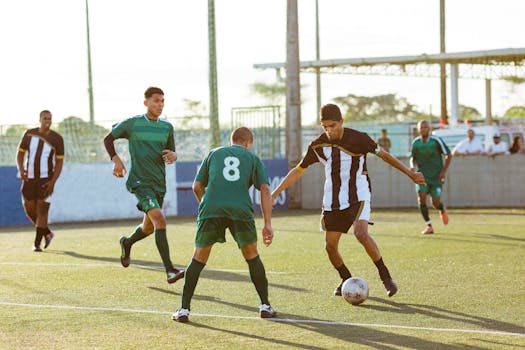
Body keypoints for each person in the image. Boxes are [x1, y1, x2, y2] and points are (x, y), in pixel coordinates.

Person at [270, 104, 425, 298]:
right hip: (333, 199)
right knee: (330, 246)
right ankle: (345, 278)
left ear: (341, 121)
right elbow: (298, 170)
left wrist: (410, 173)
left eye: (333, 125)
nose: (329, 130)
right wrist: (274, 194)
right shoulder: (317, 145)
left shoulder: (359, 138)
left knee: (361, 233)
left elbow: (384, 156)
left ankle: (386, 277)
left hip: (359, 193)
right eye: (325, 126)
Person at [172, 127, 276, 323]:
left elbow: (196, 186)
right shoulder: (253, 158)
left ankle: (184, 310)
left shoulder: (213, 153)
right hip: (240, 209)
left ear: (231, 142)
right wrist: (268, 224)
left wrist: (206, 204)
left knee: (198, 258)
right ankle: (265, 306)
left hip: (211, 208)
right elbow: (264, 188)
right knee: (252, 255)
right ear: (248, 143)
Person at [103, 87, 184, 284]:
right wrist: (116, 160)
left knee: (148, 228)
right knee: (160, 221)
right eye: (156, 100)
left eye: (163, 101)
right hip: (140, 182)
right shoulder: (133, 124)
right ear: (146, 102)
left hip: (158, 184)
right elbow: (108, 138)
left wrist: (174, 155)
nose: (160, 104)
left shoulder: (167, 127)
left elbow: (170, 152)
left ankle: (127, 242)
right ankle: (170, 270)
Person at [16, 110, 64, 252]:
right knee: (30, 210)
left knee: (42, 210)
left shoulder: (57, 138)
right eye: (45, 118)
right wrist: (20, 169)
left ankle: (37, 243)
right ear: (39, 119)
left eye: (49, 118)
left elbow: (60, 162)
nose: (47, 121)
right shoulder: (29, 134)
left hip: (46, 179)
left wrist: (53, 181)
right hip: (29, 178)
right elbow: (20, 153)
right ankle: (47, 232)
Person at [410, 120, 452, 235]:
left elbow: (448, 154)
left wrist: (443, 171)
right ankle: (429, 226)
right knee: (421, 197)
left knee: (435, 203)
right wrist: (412, 167)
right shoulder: (416, 143)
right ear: (418, 130)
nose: (423, 129)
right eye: (421, 127)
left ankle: (441, 209)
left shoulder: (436, 141)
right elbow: (412, 158)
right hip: (422, 176)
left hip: (436, 176)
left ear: (429, 129)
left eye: (425, 127)